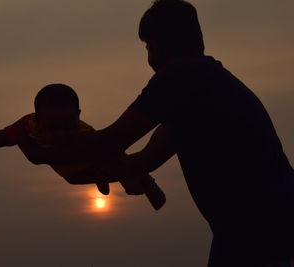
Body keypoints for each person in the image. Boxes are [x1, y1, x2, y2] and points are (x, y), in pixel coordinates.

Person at [21, 1, 294, 266]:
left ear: (158, 45)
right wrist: (98, 172)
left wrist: (44, 154)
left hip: (261, 225)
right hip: (255, 224)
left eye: (148, 47)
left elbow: (111, 141)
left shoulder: (180, 76)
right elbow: (145, 160)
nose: (149, 58)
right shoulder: (205, 87)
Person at [0, 83, 166, 210]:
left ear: (78, 116)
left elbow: (112, 148)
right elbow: (2, 137)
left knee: (121, 168)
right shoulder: (27, 125)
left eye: (68, 127)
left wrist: (124, 172)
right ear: (39, 119)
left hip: (92, 162)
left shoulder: (85, 132)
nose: (62, 133)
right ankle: (108, 177)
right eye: (54, 128)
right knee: (74, 179)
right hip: (72, 173)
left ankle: (143, 178)